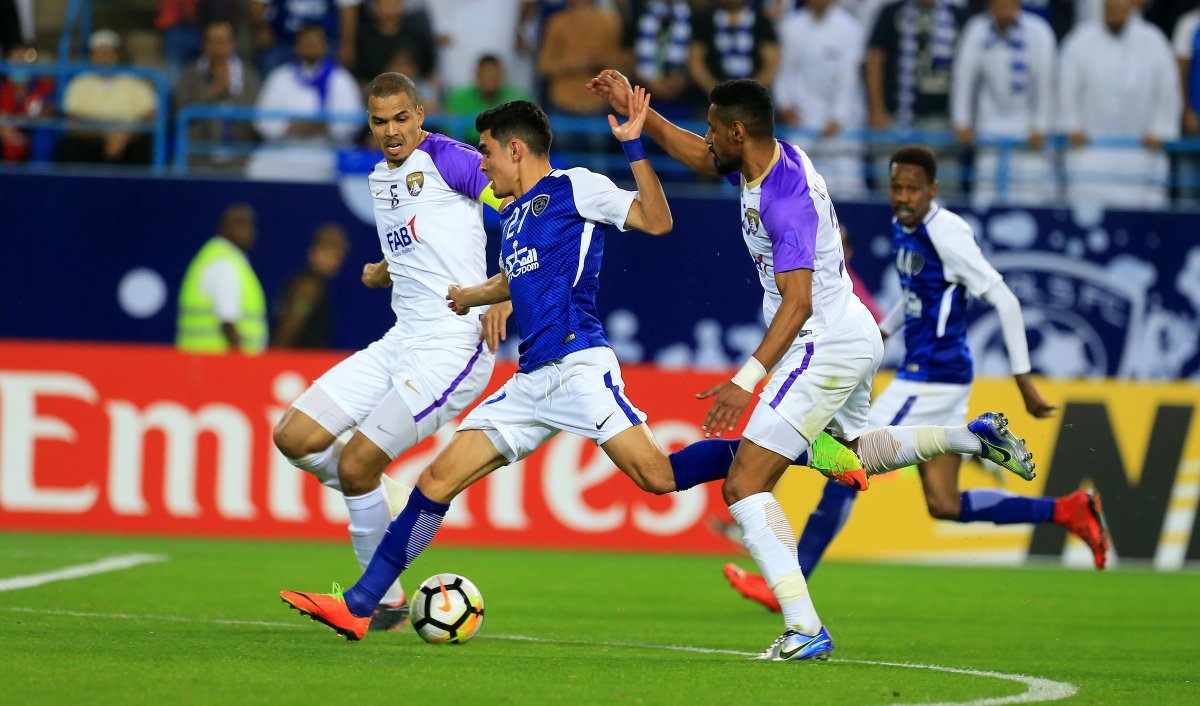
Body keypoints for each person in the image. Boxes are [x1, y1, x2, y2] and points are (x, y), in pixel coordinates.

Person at [278, 94, 867, 643]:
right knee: (435, 482)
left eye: (485, 152)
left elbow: (656, 221)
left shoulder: (576, 188)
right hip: (530, 381)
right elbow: (521, 276)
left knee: (658, 478)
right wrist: (476, 295)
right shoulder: (510, 215)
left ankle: (803, 450)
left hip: (580, 368)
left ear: (515, 149)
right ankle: (359, 607)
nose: (481, 166)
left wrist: (636, 146)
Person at [588, 70, 1044, 660]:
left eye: (712, 128)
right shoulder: (765, 158)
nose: (706, 138)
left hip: (821, 340)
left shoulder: (785, 201)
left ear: (737, 130)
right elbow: (703, 158)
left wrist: (745, 380)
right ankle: (971, 436)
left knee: (745, 484)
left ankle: (805, 628)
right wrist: (639, 113)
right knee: (853, 453)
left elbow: (798, 303)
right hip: (848, 332)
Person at [722, 145, 1112, 614]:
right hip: (938, 376)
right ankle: (1067, 510)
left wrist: (1023, 378)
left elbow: (1004, 299)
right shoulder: (905, 226)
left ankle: (790, 583)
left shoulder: (947, 233)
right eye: (896, 188)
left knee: (847, 465)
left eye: (912, 189)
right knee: (944, 503)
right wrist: (883, 328)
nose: (902, 197)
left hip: (929, 376)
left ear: (933, 190)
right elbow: (920, 299)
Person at [271, 72, 510, 632]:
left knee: (356, 463)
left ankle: (377, 603)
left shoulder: (450, 160)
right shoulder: (381, 177)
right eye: (380, 121)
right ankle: (384, 507)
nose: (392, 130)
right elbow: (418, 244)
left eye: (402, 118)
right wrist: (384, 271)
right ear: (370, 124)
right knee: (295, 436)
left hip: (452, 347)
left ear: (420, 114)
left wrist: (506, 289)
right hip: (400, 341)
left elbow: (526, 204)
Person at [1058, 0, 1180, 208]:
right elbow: (1065, 87)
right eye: (1110, 7)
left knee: (1146, 212)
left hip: (1141, 150)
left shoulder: (1153, 40)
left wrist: (1161, 128)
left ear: (1131, 7)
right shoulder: (1080, 40)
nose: (1115, 12)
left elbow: (1168, 89)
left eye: (1121, 7)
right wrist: (1071, 125)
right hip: (1090, 151)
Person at [952, 0, 1058, 207]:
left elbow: (1047, 82)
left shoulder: (1038, 31)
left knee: (1032, 198)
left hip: (1029, 137)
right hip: (989, 135)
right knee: (985, 200)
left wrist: (1041, 125)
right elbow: (963, 78)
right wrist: (961, 121)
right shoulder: (977, 30)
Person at [773, 0, 868, 198]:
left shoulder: (850, 28)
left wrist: (838, 117)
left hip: (843, 123)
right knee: (798, 185)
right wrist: (786, 104)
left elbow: (849, 78)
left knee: (847, 185)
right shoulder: (791, 26)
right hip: (803, 119)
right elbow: (785, 71)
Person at [247, 24, 363, 182]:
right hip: (286, 148)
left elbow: (353, 121)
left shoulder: (341, 79)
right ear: (297, 47)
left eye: (316, 43)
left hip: (327, 149)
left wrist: (325, 125)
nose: (311, 47)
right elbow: (261, 120)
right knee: (258, 168)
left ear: (325, 47)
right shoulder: (279, 77)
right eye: (307, 43)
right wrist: (291, 126)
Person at [176, 203, 268, 354]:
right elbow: (227, 322)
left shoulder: (226, 259)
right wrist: (242, 363)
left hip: (205, 362)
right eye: (239, 222)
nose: (248, 229)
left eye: (250, 223)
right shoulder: (223, 264)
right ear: (223, 228)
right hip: (216, 363)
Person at [58, 29, 157, 166]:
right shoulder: (79, 83)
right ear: (92, 57)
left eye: (109, 53)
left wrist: (124, 137)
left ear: (117, 56)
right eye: (100, 53)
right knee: (69, 146)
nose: (104, 59)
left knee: (146, 145)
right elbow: (71, 121)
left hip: (128, 140)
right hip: (90, 141)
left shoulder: (135, 82)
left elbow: (151, 115)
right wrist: (105, 136)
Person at [175, 19, 262, 169]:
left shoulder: (248, 74)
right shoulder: (191, 74)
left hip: (241, 158)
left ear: (232, 44)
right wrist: (212, 91)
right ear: (204, 45)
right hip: (198, 158)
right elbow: (179, 113)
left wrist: (232, 94)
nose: (218, 47)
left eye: (223, 41)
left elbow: (258, 114)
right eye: (213, 41)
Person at [271, 223, 349, 349]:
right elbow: (290, 328)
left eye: (341, 253)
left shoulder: (315, 285)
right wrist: (274, 363)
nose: (337, 259)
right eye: (332, 251)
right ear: (315, 251)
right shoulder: (308, 288)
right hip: (298, 365)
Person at [444, 55, 532, 145]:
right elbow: (447, 132)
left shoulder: (518, 100)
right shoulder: (457, 99)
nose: (490, 78)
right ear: (478, 74)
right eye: (486, 73)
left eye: (494, 74)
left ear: (502, 75)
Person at [1, 43, 54, 163]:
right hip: (6, 128)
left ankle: (39, 177)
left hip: (33, 127)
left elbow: (50, 109)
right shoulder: (2, 87)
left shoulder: (44, 85)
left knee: (44, 135)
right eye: (16, 57)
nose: (21, 61)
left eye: (26, 57)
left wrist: (26, 119)